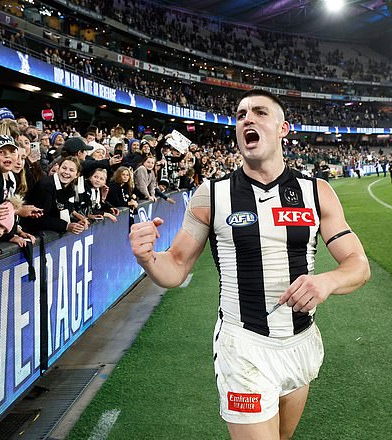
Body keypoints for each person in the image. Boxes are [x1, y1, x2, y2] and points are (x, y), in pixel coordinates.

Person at [129, 89, 370, 440]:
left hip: (300, 341)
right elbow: (175, 267)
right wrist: (148, 258)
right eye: (241, 115)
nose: (247, 119)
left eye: (259, 112)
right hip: (242, 346)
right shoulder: (211, 194)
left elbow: (358, 265)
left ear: (283, 128)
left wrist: (327, 282)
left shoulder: (317, 192)